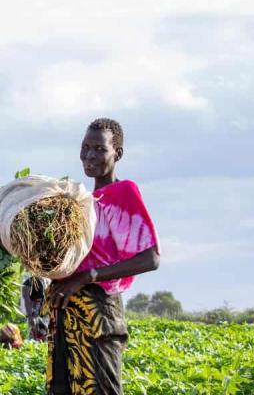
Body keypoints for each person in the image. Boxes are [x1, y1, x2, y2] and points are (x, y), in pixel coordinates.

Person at [45, 118, 160, 395]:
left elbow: (150, 258)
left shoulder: (121, 192)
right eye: (86, 147)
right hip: (67, 313)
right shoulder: (84, 201)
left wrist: (86, 277)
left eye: (100, 149)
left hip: (98, 311)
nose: (90, 155)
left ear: (117, 154)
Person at [22, 275, 49, 341]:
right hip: (35, 316)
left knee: (47, 339)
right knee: (36, 338)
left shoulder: (46, 280)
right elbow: (27, 301)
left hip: (46, 316)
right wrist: (30, 317)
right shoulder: (28, 283)